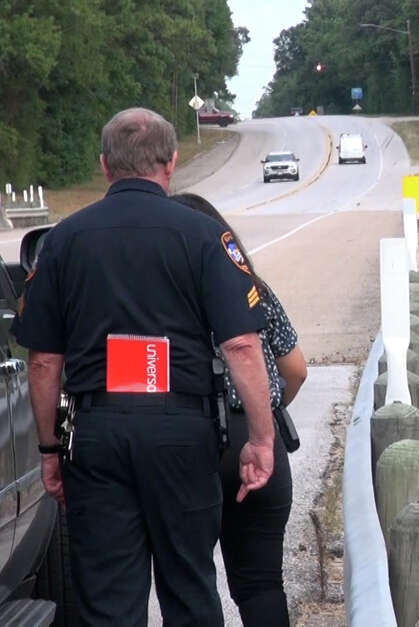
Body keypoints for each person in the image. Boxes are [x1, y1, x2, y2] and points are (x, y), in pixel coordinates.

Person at [13, 107, 276, 625]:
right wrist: (261, 439)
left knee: (108, 601)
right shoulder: (203, 236)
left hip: (97, 435)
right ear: (172, 162)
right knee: (189, 589)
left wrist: (49, 450)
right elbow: (242, 345)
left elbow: (43, 360)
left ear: (106, 166)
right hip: (183, 433)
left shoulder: (62, 241)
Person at [172, 193, 307, 626]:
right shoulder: (254, 290)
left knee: (189, 580)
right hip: (256, 439)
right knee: (261, 581)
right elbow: (297, 370)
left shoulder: (166, 303)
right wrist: (261, 417)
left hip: (191, 439)